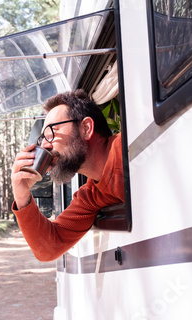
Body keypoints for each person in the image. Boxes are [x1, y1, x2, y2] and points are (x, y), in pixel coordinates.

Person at [11, 89, 124, 261]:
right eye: (43, 139)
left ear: (86, 128)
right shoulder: (92, 195)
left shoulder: (129, 148)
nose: (45, 147)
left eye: (52, 133)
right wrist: (22, 195)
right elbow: (49, 247)